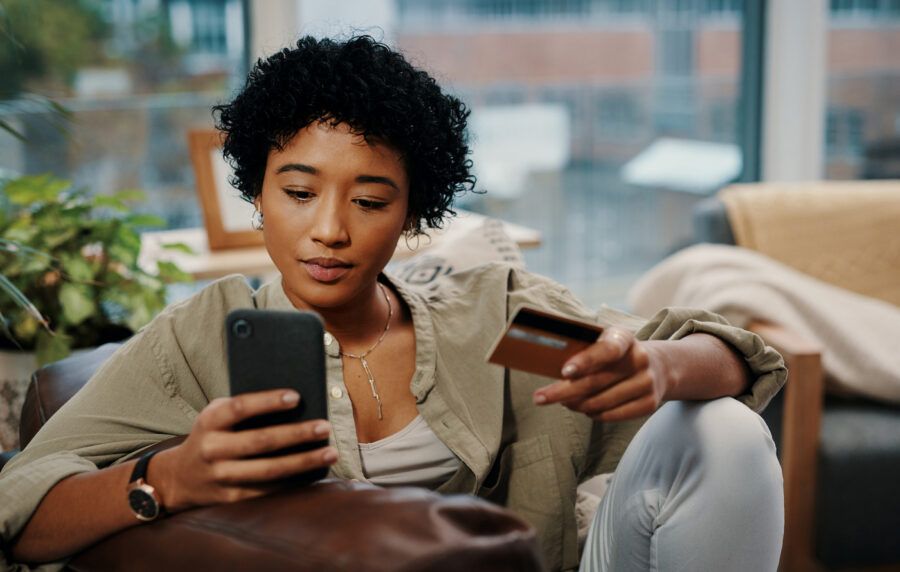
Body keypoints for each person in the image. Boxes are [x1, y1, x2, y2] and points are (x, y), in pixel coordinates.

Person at [0, 36, 786, 571]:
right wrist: (167, 478)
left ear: (411, 214)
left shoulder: (492, 324)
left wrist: (657, 365)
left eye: (370, 200)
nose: (329, 231)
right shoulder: (201, 341)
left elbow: (728, 356)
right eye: (299, 192)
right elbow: (19, 505)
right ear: (259, 194)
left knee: (720, 425)